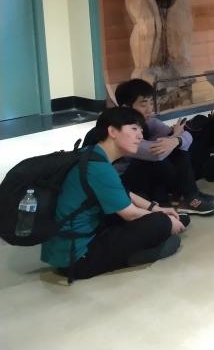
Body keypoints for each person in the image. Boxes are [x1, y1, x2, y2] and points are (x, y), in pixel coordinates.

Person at [41, 107, 186, 280]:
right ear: (112, 131)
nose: (140, 136)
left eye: (141, 130)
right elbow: (130, 214)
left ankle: (152, 236)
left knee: (157, 214)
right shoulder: (99, 168)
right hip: (78, 259)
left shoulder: (91, 154)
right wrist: (165, 219)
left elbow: (123, 192)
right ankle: (132, 256)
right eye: (134, 128)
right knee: (161, 224)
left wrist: (156, 208)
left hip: (69, 246)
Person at [114, 79, 214, 215]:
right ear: (126, 108)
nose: (149, 109)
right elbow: (155, 153)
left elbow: (188, 136)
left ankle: (190, 195)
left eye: (151, 103)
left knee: (178, 149)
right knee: (159, 156)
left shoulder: (149, 122)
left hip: (147, 177)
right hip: (125, 182)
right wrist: (174, 137)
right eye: (143, 104)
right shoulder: (121, 130)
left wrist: (176, 140)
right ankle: (186, 195)